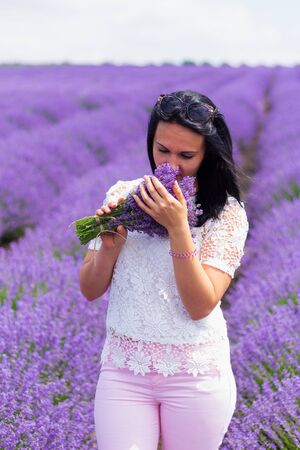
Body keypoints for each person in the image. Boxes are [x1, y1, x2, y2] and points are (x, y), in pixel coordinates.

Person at [79, 90, 249, 450]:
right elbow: (90, 289)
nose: (171, 162)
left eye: (186, 155)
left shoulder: (226, 213)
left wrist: (178, 228)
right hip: (125, 370)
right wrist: (109, 248)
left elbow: (200, 304)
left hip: (194, 373)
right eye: (162, 149)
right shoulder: (124, 194)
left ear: (208, 155)